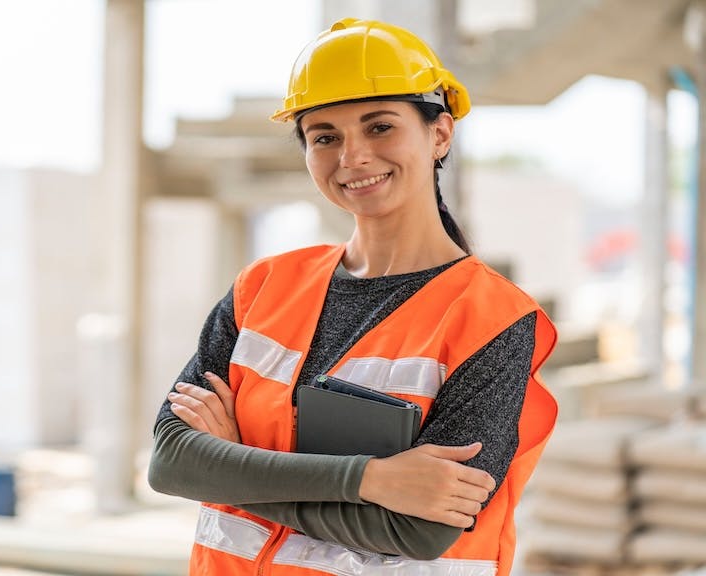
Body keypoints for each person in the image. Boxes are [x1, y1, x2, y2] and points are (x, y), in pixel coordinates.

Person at [147, 18, 557, 576]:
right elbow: (173, 461)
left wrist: (232, 461)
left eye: (380, 127)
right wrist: (371, 480)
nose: (353, 156)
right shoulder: (263, 287)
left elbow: (421, 527)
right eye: (325, 136)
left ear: (439, 134)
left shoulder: (493, 321)